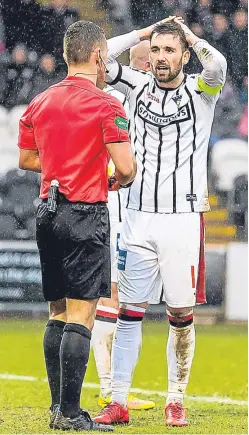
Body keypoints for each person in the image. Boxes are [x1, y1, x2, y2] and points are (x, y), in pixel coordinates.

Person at [94, 17, 227, 427]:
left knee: (180, 315)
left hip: (183, 220)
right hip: (136, 218)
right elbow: (99, 59)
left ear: (185, 55)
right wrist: (142, 34)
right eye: (156, 51)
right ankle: (117, 400)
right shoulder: (134, 85)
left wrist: (189, 35)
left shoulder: (201, 92)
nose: (161, 58)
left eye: (170, 51)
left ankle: (175, 398)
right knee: (129, 312)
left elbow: (218, 65)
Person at [17, 20, 136, 432]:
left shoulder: (40, 101)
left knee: (56, 312)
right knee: (82, 315)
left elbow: (28, 161)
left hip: (47, 214)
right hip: (85, 213)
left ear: (69, 56)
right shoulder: (106, 105)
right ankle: (70, 414)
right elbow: (127, 169)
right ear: (100, 56)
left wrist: (63, 164)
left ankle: (56, 407)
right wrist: (103, 176)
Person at [92, 40, 155, 411]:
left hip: (144, 208)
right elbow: (102, 51)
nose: (154, 66)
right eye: (147, 61)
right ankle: (108, 387)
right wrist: (141, 31)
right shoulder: (115, 99)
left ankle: (117, 386)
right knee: (111, 296)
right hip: (117, 203)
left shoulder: (162, 100)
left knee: (132, 302)